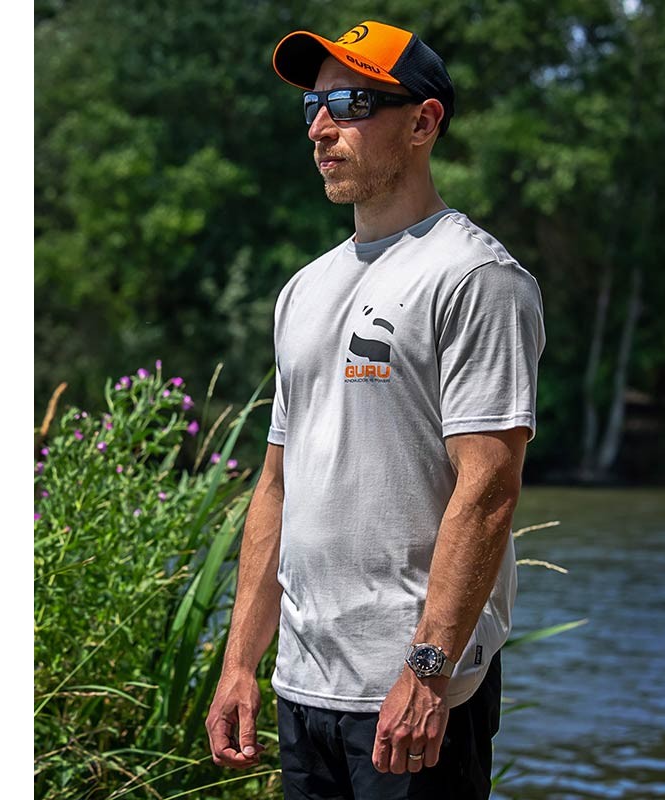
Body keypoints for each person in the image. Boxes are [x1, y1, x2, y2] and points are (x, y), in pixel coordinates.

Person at [205, 19, 546, 800]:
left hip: (414, 696)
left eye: (352, 104)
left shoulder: (477, 279)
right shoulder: (303, 289)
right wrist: (239, 663)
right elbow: (277, 486)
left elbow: (488, 491)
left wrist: (427, 673)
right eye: (314, 107)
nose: (321, 128)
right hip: (304, 687)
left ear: (423, 123)